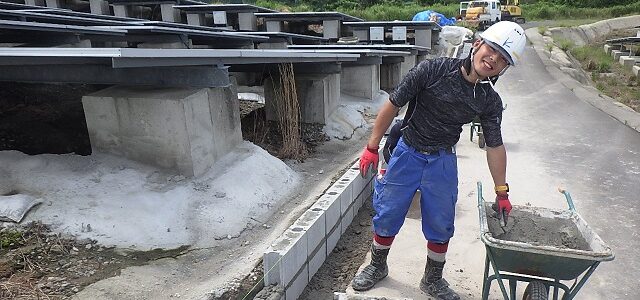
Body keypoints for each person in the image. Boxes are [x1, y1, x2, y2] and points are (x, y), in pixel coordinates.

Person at [352, 21, 526, 300]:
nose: (494, 59)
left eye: (504, 59)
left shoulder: (488, 100)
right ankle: (377, 266)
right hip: (407, 151)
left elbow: (495, 146)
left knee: (442, 221)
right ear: (478, 44)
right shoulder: (434, 70)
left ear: (505, 68)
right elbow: (393, 103)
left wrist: (502, 190)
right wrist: (372, 147)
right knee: (388, 212)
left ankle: (432, 279)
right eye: (493, 49)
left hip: (442, 160)